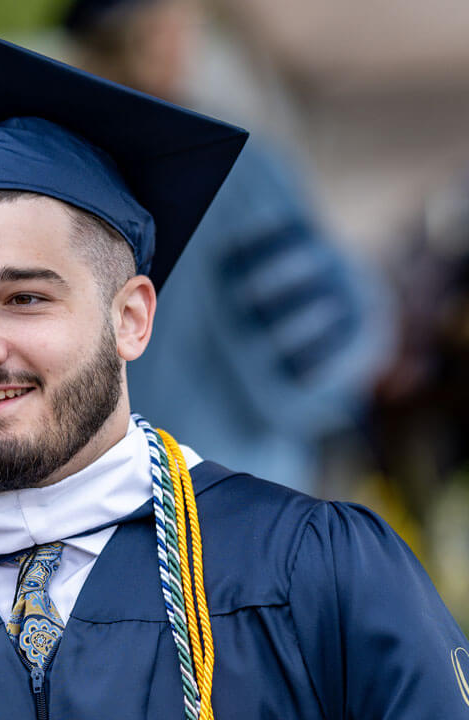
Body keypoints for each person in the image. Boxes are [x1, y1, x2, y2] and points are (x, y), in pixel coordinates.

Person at [0, 24, 469, 719]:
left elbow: (341, 347)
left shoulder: (310, 576)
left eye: (24, 297)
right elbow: (334, 349)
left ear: (133, 315)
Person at [66, 0, 391, 491]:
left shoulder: (52, 163)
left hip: (85, 488)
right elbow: (310, 356)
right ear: (165, 34)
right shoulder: (229, 162)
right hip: (221, 491)